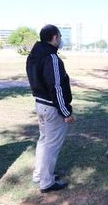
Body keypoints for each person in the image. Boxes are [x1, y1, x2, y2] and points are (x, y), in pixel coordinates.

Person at [26, 24, 74, 193]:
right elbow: (57, 87)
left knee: (44, 141)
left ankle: (40, 175)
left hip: (40, 104)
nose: (61, 40)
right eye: (60, 36)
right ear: (54, 37)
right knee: (51, 145)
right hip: (51, 107)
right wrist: (65, 111)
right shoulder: (51, 57)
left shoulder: (34, 55)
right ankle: (46, 182)